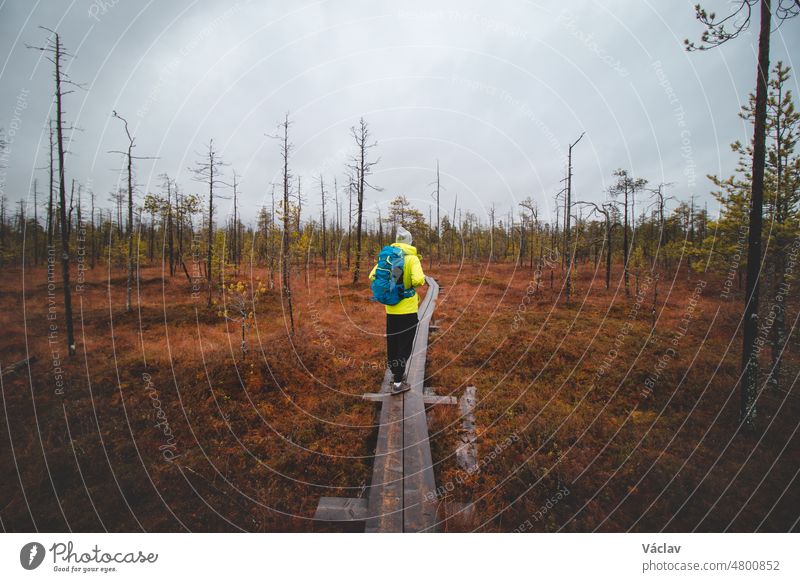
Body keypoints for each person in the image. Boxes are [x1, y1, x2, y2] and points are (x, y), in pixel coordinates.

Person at [369, 226, 426, 394]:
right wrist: (410, 285)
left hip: (391, 310)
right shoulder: (412, 259)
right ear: (409, 242)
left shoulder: (389, 257)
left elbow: (372, 276)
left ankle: (395, 374)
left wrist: (392, 287)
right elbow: (418, 280)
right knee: (405, 345)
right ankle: (398, 382)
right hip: (408, 311)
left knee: (392, 343)